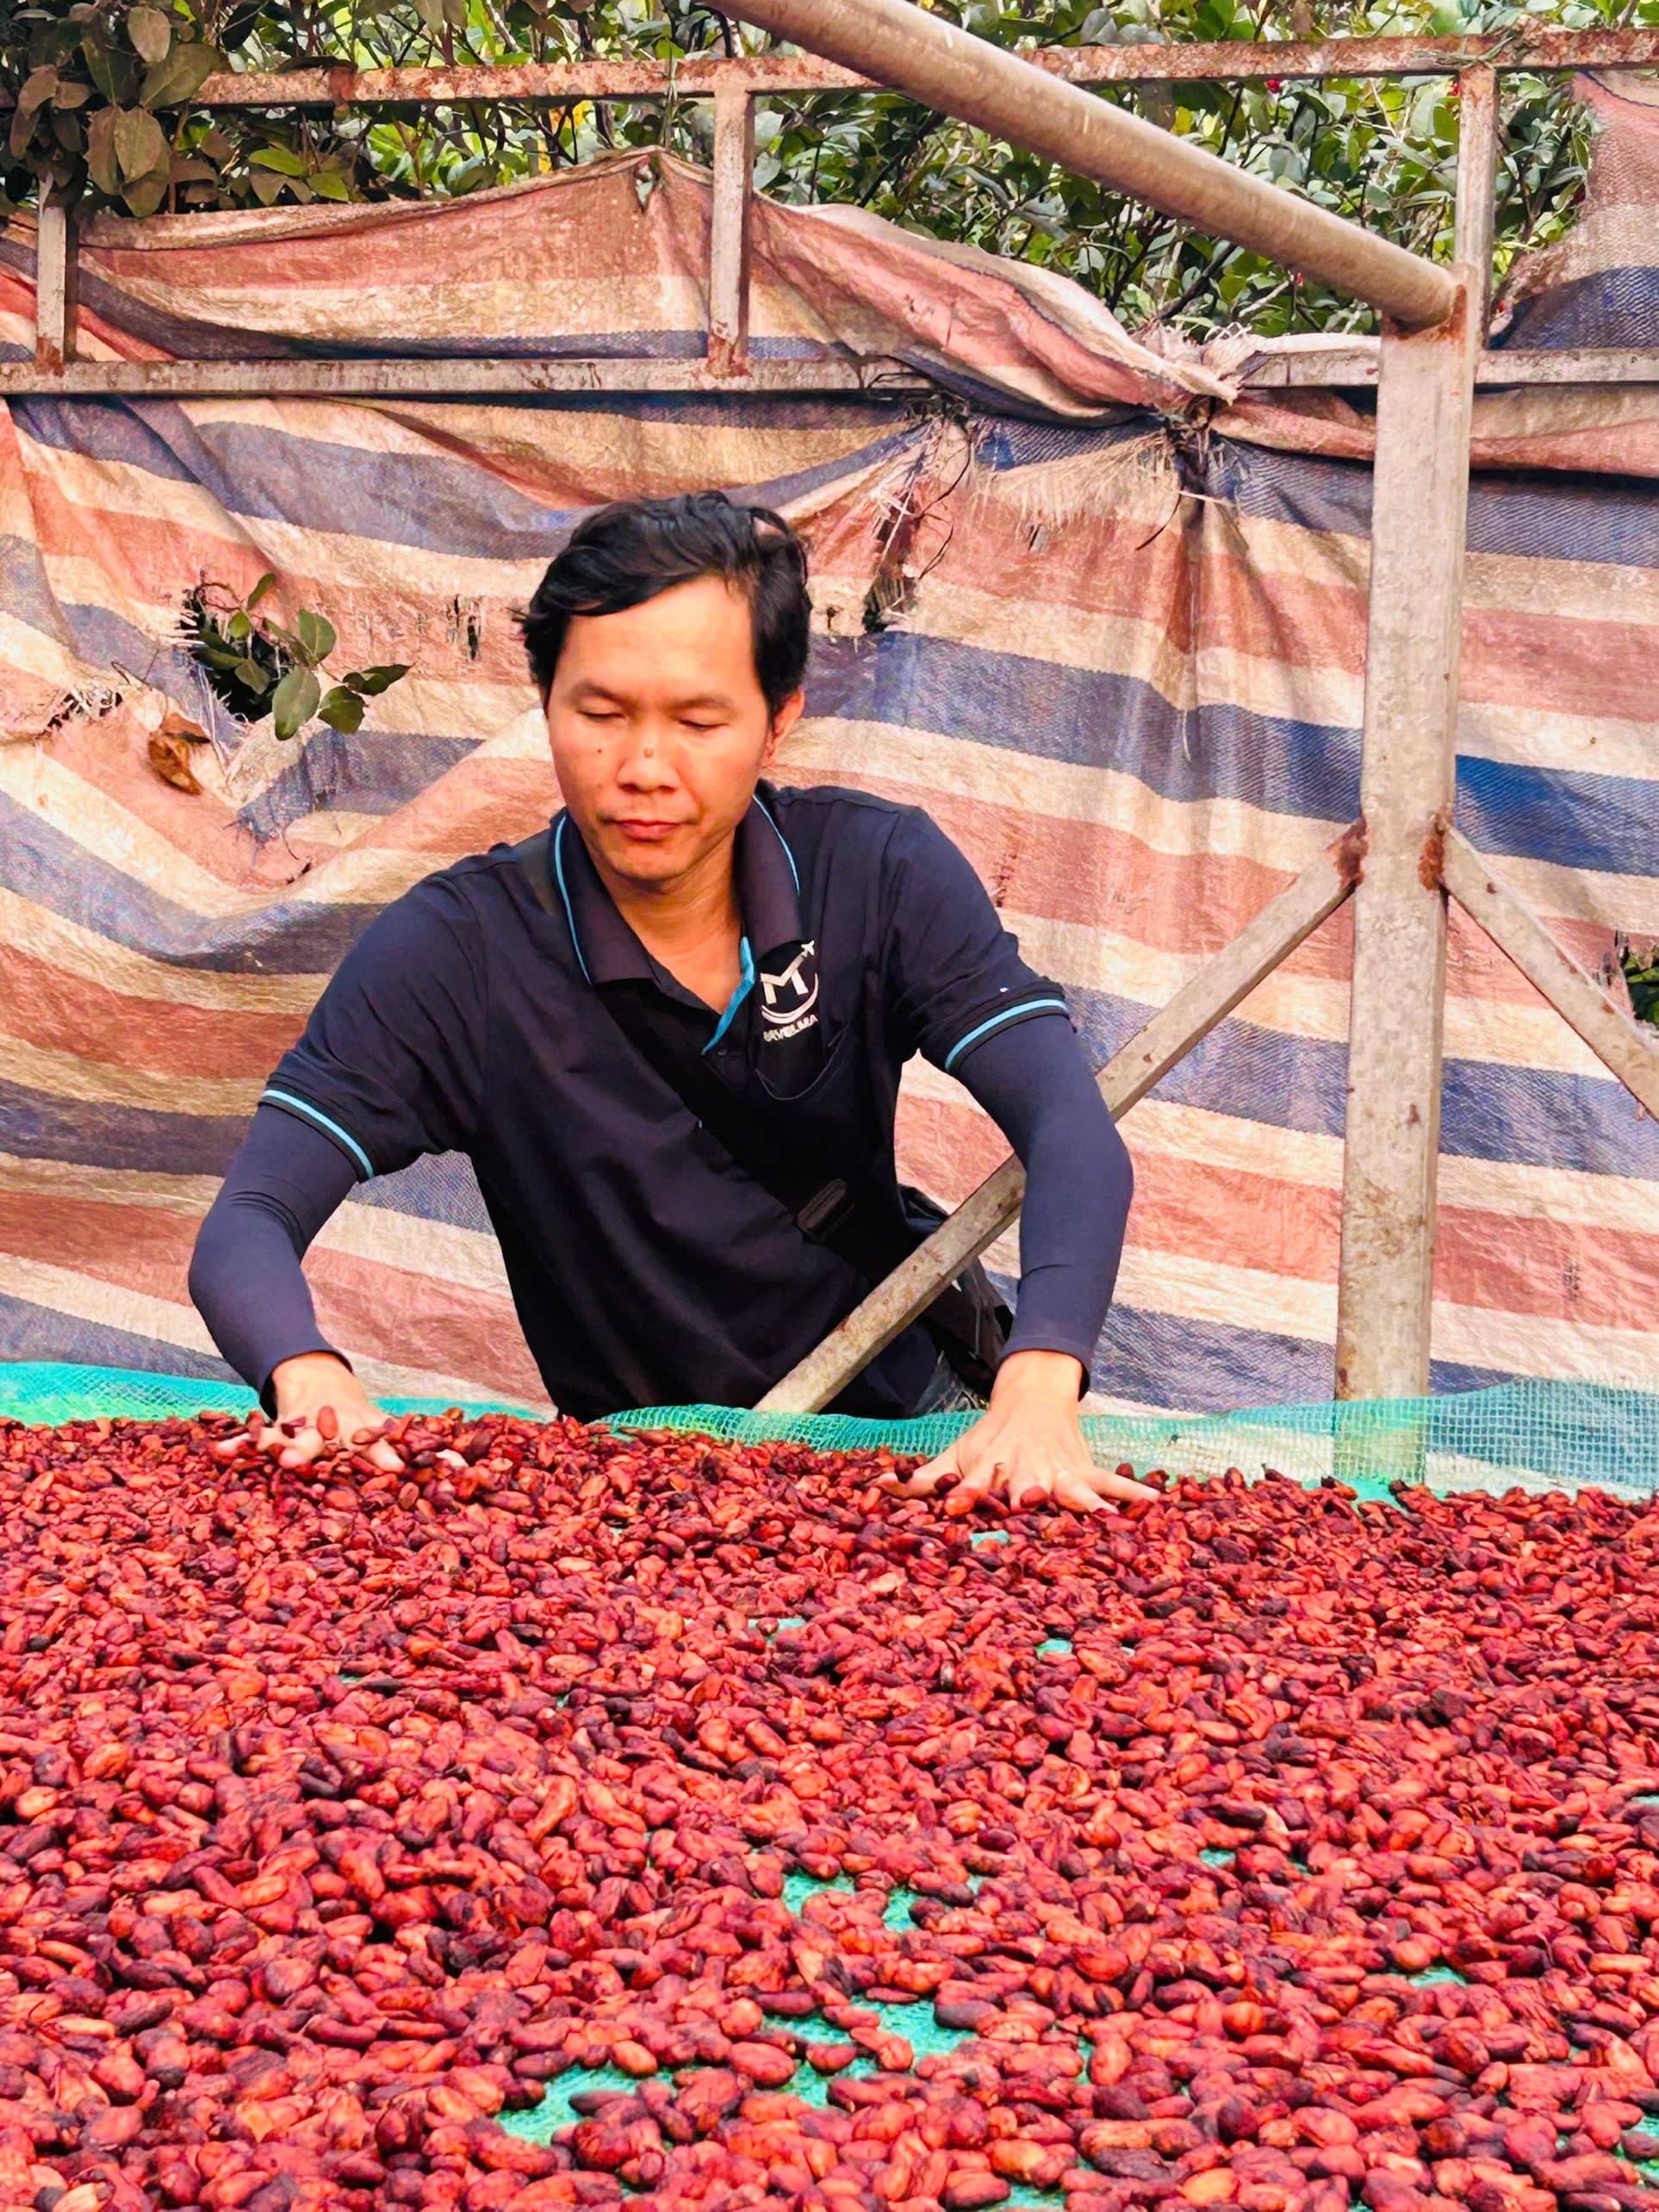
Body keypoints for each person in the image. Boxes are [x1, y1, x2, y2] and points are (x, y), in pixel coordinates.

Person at [190, 493, 1146, 1513]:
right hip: (643, 1500)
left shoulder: (878, 873)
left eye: (697, 721)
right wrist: (308, 1375)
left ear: (779, 721)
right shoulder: (456, 953)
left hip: (919, 1441)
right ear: (546, 702)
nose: (644, 769)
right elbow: (247, 1220)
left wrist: (1042, 1378)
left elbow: (1069, 1128)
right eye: (599, 715)